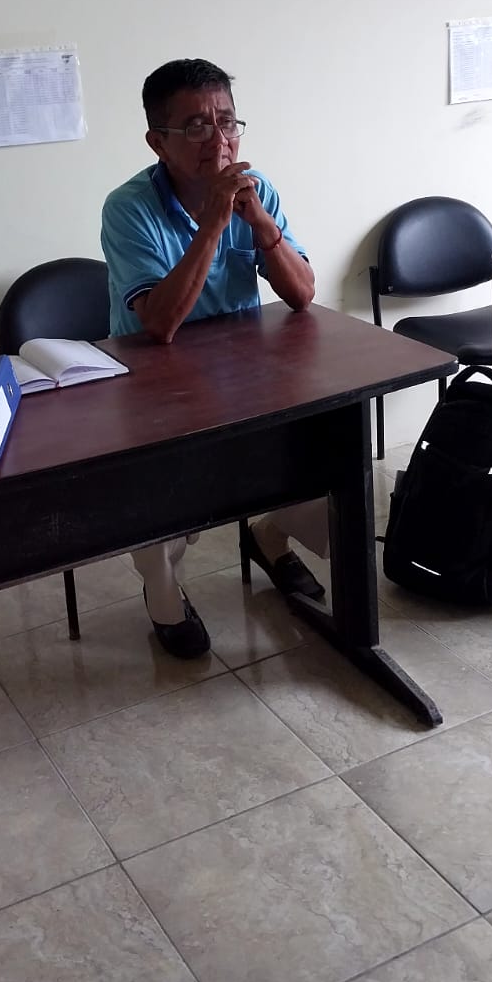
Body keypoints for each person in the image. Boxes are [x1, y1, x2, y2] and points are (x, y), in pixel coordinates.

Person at [100, 57, 331, 658]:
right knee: (163, 496)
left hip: (244, 373)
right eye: (197, 126)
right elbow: (159, 324)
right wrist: (213, 223)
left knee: (319, 456)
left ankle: (270, 534)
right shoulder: (127, 209)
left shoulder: (259, 189)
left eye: (227, 122)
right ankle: (164, 594)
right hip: (154, 384)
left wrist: (258, 220)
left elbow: (302, 295)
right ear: (158, 141)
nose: (218, 139)